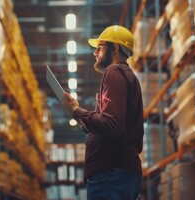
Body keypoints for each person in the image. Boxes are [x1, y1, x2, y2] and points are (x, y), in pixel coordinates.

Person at [61, 25, 144, 200]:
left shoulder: (113, 71)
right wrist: (82, 117)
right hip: (121, 172)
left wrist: (77, 111)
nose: (95, 53)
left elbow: (111, 125)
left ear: (115, 47)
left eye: (100, 47)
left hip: (110, 173)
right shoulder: (129, 76)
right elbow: (113, 125)